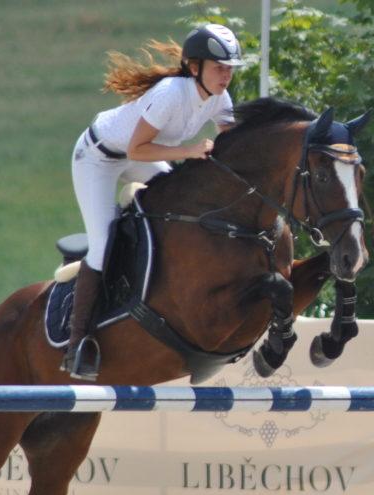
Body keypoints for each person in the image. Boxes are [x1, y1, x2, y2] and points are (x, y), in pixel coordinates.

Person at [65, 23, 242, 379]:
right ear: (195, 67)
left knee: (183, 208)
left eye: (230, 68)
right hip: (98, 158)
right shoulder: (170, 94)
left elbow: (233, 146)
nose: (226, 75)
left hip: (138, 156)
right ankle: (77, 344)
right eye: (219, 67)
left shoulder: (219, 98)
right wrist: (190, 151)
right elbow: (136, 149)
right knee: (102, 245)